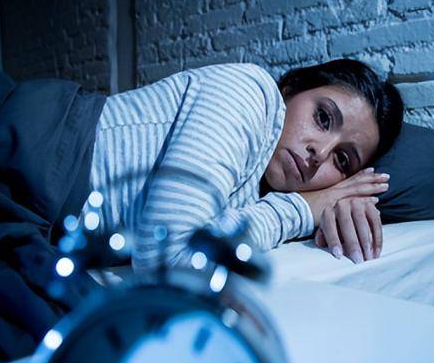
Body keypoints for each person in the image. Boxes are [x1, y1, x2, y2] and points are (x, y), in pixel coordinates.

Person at [85, 59, 403, 271]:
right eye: (322, 117)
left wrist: (337, 204)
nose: (319, 153)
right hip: (60, 152)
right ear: (291, 89)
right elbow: (168, 258)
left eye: (342, 159)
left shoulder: (260, 189)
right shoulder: (249, 92)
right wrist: (303, 209)